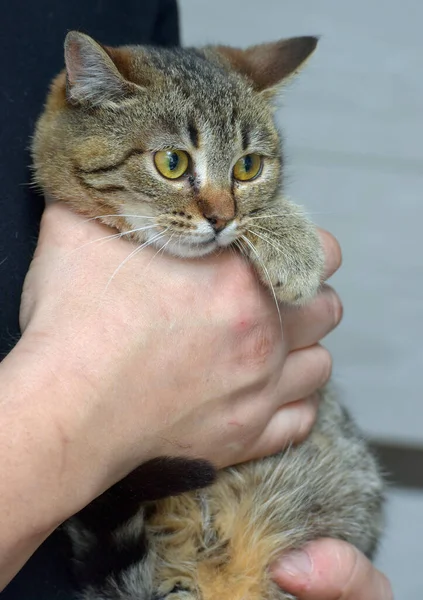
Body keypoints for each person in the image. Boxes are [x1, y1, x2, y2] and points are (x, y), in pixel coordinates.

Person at [0, 2, 392, 599]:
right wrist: (68, 412)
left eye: (247, 168)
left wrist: (272, 224)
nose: (218, 212)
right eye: (174, 162)